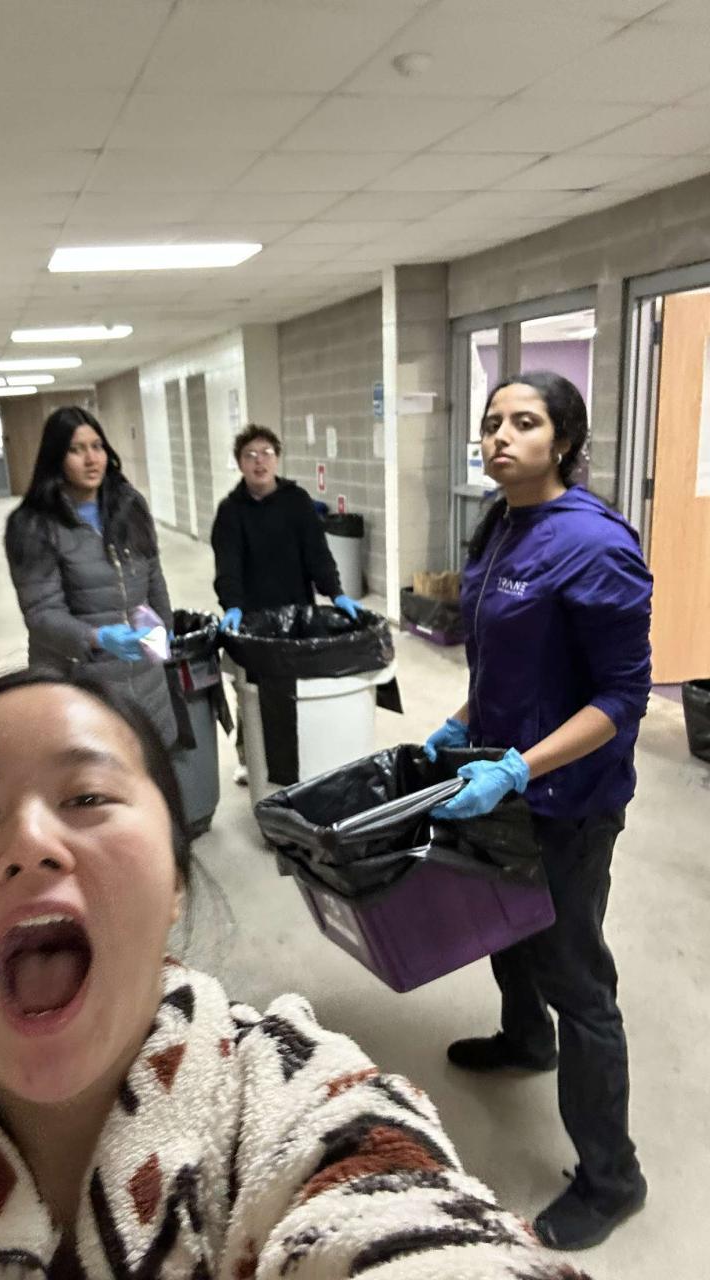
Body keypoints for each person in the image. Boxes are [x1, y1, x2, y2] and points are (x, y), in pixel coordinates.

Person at [0, 667, 597, 1280]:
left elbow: (406, 1220)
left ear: (175, 884)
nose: (29, 842)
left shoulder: (302, 1104)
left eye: (87, 797)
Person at [423, 371, 651, 1251]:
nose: (500, 436)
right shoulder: (502, 525)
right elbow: (505, 665)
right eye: (492, 422)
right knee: (505, 926)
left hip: (569, 799)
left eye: (524, 422)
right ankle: (525, 1040)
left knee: (576, 976)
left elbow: (622, 696)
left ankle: (613, 1178)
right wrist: (463, 723)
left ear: (564, 440)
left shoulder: (593, 544)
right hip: (501, 775)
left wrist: (521, 766)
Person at [5, 405, 176, 747]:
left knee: (149, 760)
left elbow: (153, 574)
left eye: (97, 446)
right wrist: (96, 638)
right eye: (76, 449)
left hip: (145, 677)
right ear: (56, 458)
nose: (91, 459)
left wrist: (165, 628)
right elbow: (41, 613)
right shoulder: (33, 526)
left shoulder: (129, 506)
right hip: (79, 679)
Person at [211, 423, 362, 781]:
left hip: (297, 611)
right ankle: (249, 755)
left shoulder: (297, 502)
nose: (259, 461)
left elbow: (317, 554)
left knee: (293, 685)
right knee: (251, 690)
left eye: (266, 453)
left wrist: (336, 592)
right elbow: (227, 564)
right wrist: (232, 604)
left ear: (277, 458)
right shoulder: (231, 511)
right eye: (250, 455)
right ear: (239, 463)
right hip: (251, 617)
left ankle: (300, 751)